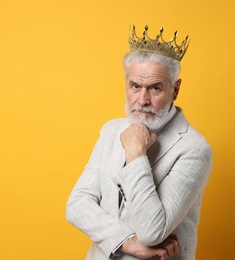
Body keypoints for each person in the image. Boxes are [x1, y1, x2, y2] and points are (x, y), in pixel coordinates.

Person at [66, 25, 213, 260]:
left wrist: (135, 153)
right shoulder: (111, 130)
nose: (142, 100)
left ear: (175, 90)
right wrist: (128, 243)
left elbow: (153, 231)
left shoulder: (195, 149)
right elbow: (77, 204)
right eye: (135, 86)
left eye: (155, 88)